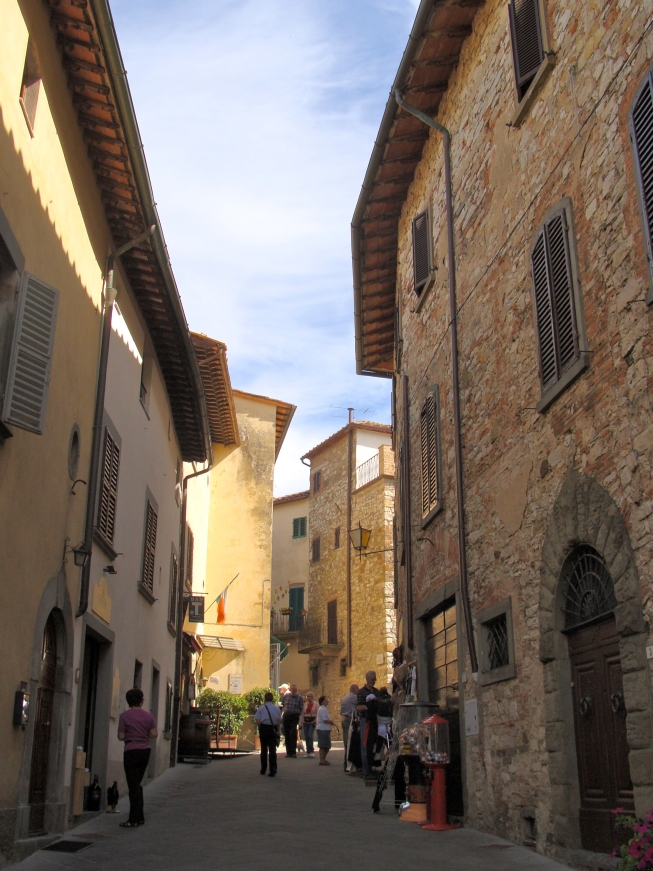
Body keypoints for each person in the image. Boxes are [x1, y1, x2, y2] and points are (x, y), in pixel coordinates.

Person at [117, 688, 157, 827]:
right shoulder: (148, 716)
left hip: (131, 750)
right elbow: (154, 734)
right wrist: (143, 734)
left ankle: (133, 819)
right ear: (141, 701)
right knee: (137, 783)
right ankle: (140, 817)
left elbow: (121, 736)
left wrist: (130, 734)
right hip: (145, 750)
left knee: (133, 785)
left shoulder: (124, 716)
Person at [357, 671, 380, 777]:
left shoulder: (377, 692)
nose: (374, 681)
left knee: (374, 744)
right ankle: (365, 769)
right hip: (365, 720)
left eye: (375, 679)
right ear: (367, 679)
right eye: (372, 679)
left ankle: (371, 766)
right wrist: (369, 707)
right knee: (365, 744)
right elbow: (359, 707)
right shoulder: (361, 692)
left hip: (375, 720)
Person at [254, 691, 281, 777]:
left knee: (264, 749)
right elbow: (279, 721)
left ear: (265, 699)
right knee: (272, 749)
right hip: (273, 728)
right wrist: (276, 728)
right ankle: (273, 769)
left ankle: (263, 769)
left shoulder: (261, 708)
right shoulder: (277, 708)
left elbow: (258, 720)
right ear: (272, 699)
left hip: (264, 728)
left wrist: (261, 727)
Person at [340, 683, 359, 772]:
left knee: (346, 741)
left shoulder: (343, 698)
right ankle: (350, 764)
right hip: (350, 720)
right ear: (355, 689)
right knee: (351, 742)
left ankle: (346, 764)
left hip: (344, 719)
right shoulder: (355, 698)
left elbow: (341, 711)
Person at [281, 684, 304, 757]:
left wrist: (299, 719)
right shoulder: (286, 696)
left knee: (293, 733)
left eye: (295, 690)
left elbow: (301, 709)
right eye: (293, 690)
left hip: (294, 716)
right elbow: (283, 705)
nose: (294, 691)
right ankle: (288, 752)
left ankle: (293, 752)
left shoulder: (300, 698)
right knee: (287, 734)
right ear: (291, 690)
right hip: (287, 716)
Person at [300, 692, 319, 758]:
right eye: (307, 696)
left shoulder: (316, 705)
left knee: (310, 736)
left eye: (309, 696)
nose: (308, 698)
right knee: (306, 737)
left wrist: (316, 722)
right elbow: (302, 714)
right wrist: (300, 723)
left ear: (312, 697)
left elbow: (317, 714)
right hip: (305, 722)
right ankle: (308, 751)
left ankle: (311, 751)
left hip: (312, 722)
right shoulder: (305, 705)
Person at [316, 695, 334, 765]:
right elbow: (324, 720)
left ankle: (323, 759)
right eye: (326, 700)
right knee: (323, 746)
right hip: (322, 729)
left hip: (325, 729)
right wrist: (331, 722)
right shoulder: (322, 709)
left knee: (327, 746)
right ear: (322, 702)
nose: (327, 701)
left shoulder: (324, 709)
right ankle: (322, 760)